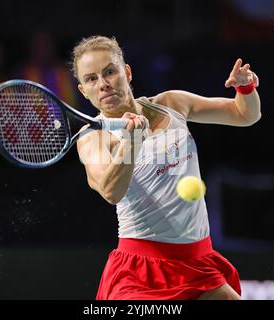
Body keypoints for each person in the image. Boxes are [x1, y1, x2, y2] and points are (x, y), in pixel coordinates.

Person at [72, 36, 261, 300]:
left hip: (197, 263)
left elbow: (244, 115)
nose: (103, 84)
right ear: (83, 90)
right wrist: (131, 143)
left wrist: (246, 88)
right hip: (139, 272)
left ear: (126, 72)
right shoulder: (92, 137)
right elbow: (110, 191)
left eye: (110, 72)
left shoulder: (172, 104)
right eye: (91, 79)